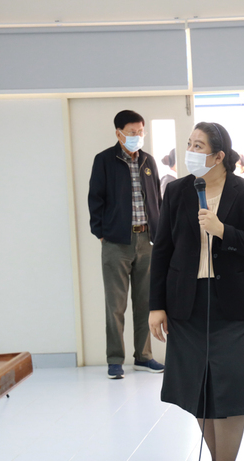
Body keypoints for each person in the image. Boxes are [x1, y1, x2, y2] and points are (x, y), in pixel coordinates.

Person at [148, 122, 244, 461]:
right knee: (197, 385)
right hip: (185, 303)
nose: (190, 151)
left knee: (229, 387)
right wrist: (155, 305)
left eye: (198, 146)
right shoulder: (177, 191)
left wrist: (222, 230)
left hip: (232, 305)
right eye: (189, 143)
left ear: (219, 156)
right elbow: (162, 249)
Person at [88, 110, 164, 379]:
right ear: (119, 133)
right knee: (115, 306)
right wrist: (101, 233)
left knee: (145, 302)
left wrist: (159, 232)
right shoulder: (104, 160)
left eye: (141, 131)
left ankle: (143, 357)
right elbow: (95, 199)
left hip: (147, 240)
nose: (138, 136)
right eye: (132, 132)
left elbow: (157, 199)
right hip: (116, 243)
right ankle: (114, 360)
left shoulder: (148, 161)